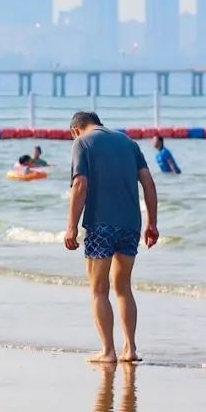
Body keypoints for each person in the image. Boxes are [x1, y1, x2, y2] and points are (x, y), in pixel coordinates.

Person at [64, 111, 159, 364]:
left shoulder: (81, 142)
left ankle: (108, 351)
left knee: (99, 290)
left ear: (76, 129)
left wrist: (71, 226)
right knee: (123, 288)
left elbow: (80, 185)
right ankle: (131, 350)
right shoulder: (129, 143)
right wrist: (153, 223)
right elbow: (148, 183)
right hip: (130, 225)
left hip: (100, 224)